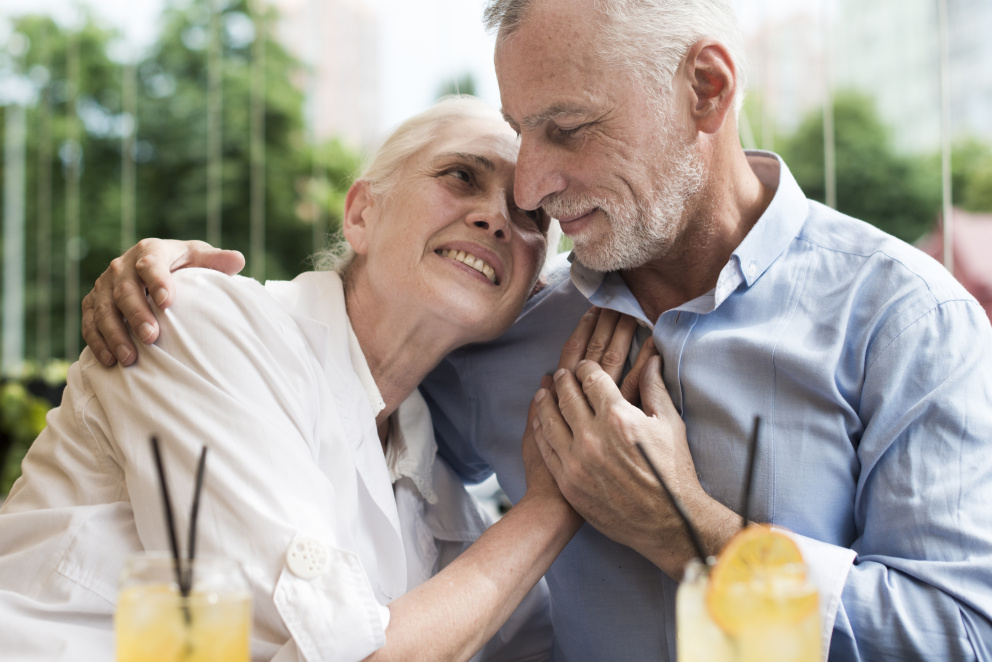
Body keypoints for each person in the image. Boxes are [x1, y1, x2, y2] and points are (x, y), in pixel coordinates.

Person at [79, 0, 992, 659]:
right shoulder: (504, 330)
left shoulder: (906, 319)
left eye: (568, 128)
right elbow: (337, 360)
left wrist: (687, 530)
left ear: (706, 92)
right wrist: (166, 279)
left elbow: (960, 636)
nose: (528, 189)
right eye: (522, 132)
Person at [0, 96, 601, 662]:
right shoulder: (197, 322)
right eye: (461, 176)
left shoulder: (432, 483)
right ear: (362, 213)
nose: (497, 218)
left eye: (528, 214)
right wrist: (554, 503)